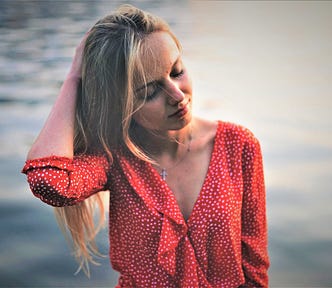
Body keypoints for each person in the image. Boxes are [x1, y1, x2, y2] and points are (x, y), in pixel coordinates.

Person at [22, 4, 269, 287]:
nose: (177, 96)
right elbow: (47, 180)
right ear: (121, 105)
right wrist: (74, 77)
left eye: (177, 72)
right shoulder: (114, 158)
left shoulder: (239, 146)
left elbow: (255, 267)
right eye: (150, 91)